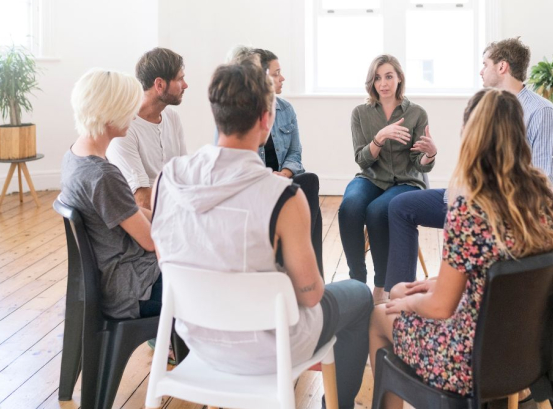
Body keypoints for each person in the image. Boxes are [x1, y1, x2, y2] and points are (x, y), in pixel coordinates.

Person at [150, 61, 373, 409]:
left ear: (216, 114)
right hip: (270, 349)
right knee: (360, 295)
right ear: (266, 119)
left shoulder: (169, 178)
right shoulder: (282, 197)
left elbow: (166, 260)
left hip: (198, 340)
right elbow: (312, 295)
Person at [369, 89, 553, 408]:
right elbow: (501, 271)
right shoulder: (543, 198)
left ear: (470, 135)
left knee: (382, 314)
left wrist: (415, 301)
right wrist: (431, 285)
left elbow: (440, 309)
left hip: (470, 360)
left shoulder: (470, 209)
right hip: (529, 350)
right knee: (403, 293)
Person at [383, 37, 553, 294]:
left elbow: (545, 183)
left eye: (485, 63)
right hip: (470, 199)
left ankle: (427, 297)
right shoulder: (488, 106)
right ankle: (397, 292)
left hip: (496, 212)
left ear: (502, 67)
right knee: (400, 206)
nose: (481, 70)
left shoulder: (541, 112)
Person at [60, 69, 161, 319]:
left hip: (114, 280)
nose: (134, 115)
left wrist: (167, 215)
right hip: (132, 289)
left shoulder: (75, 155)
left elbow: (130, 210)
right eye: (129, 109)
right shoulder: (102, 176)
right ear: (110, 114)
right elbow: (150, 241)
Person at [339, 54, 436, 303]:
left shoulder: (416, 113)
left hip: (405, 181)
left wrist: (429, 154)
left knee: (377, 211)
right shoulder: (360, 113)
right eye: (378, 78)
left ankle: (380, 286)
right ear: (371, 82)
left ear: (399, 78)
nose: (383, 83)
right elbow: (362, 160)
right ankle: (356, 280)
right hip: (371, 176)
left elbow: (419, 165)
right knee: (349, 207)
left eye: (389, 76)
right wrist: (379, 138)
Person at [254, 48, 324, 274]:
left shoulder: (285, 110)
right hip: (257, 186)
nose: (282, 78)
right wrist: (268, 177)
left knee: (309, 182)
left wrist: (283, 175)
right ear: (261, 77)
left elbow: (295, 154)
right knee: (309, 188)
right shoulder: (244, 113)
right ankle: (307, 272)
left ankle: (308, 270)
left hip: (283, 180)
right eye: (276, 73)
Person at [106, 47, 188, 209]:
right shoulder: (123, 128)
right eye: (180, 79)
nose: (185, 85)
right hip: (150, 220)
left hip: (175, 208)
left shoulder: (172, 117)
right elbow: (141, 200)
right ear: (159, 84)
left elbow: (184, 173)